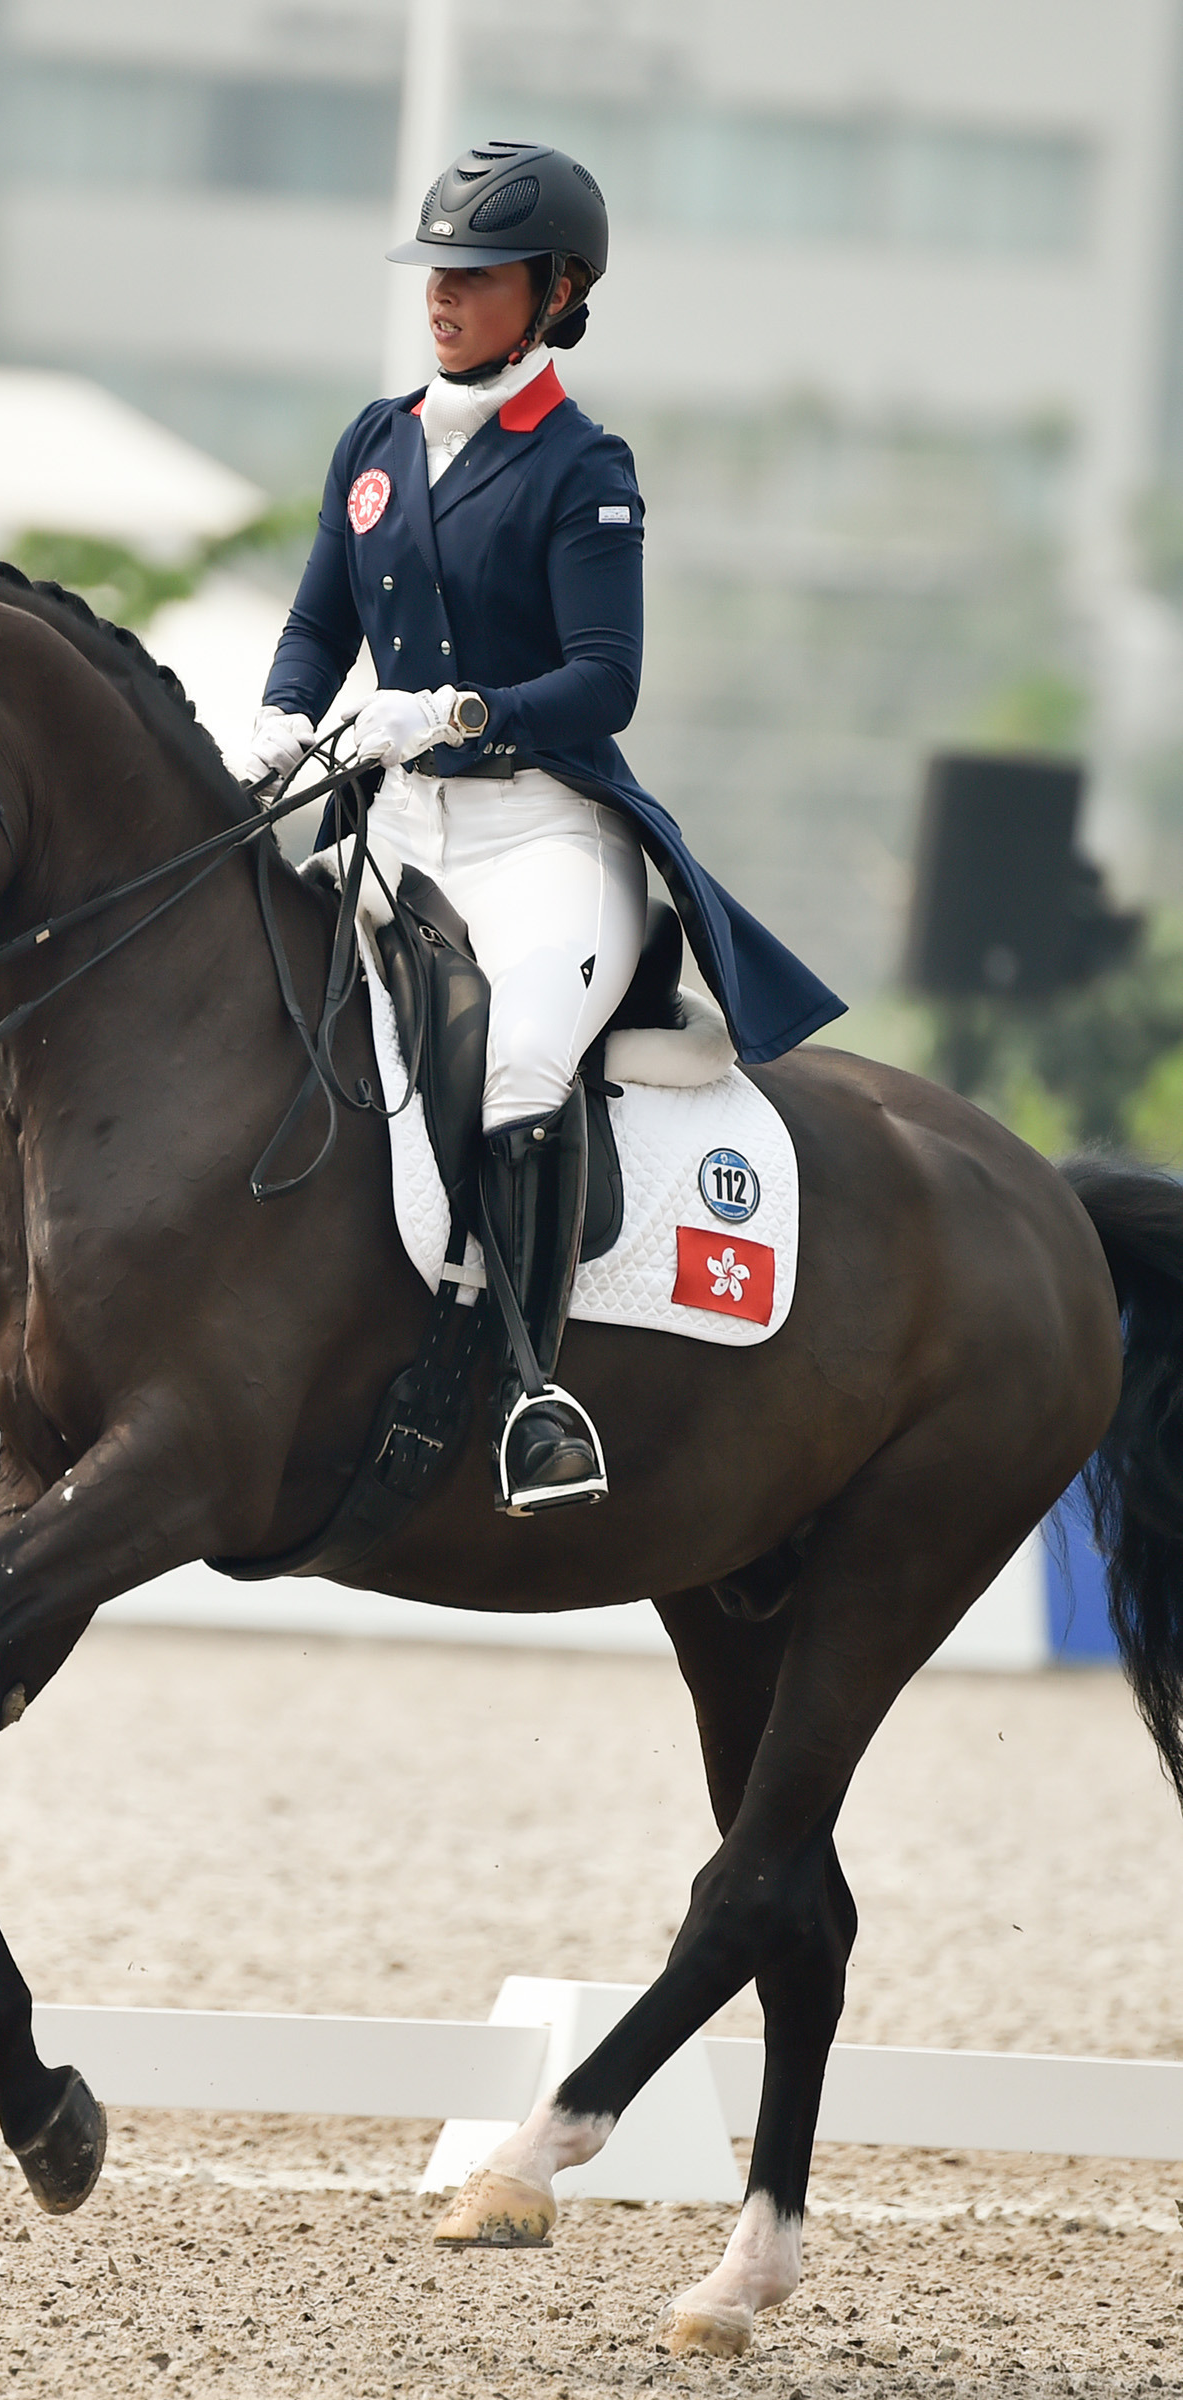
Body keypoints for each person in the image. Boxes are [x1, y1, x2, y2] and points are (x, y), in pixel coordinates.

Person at [241, 140, 843, 1515]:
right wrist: (285, 713)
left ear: (557, 291)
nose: (442, 298)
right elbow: (320, 622)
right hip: (396, 822)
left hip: (544, 837)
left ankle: (528, 1388)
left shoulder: (584, 464)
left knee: (517, 1066)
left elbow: (605, 678)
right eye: (436, 273)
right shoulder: (377, 441)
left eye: (477, 276)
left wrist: (457, 715)